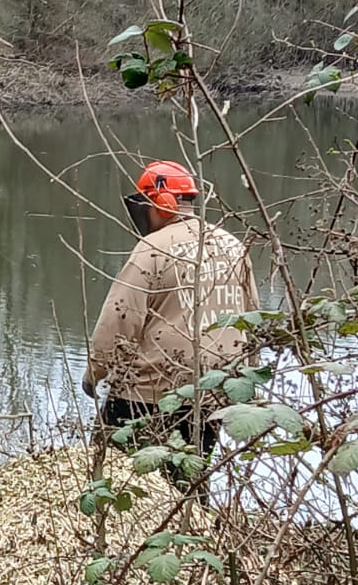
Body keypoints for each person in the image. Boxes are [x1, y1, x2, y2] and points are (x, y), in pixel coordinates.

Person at [84, 160, 259, 479]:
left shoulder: (151, 249)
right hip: (214, 393)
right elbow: (252, 323)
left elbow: (118, 322)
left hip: (148, 394)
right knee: (189, 480)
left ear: (159, 204)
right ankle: (194, 521)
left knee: (112, 474)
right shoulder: (233, 246)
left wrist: (94, 373)